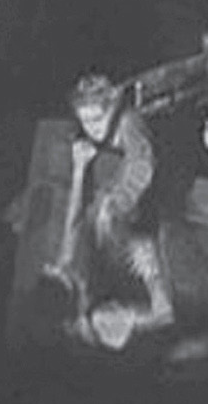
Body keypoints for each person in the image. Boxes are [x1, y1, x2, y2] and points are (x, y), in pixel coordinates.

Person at [45, 73, 173, 349]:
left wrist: (86, 175)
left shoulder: (129, 123)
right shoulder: (98, 317)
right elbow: (164, 315)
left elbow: (73, 224)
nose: (92, 129)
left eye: (97, 120)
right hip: (123, 259)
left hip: (125, 220)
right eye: (85, 121)